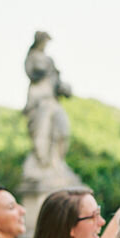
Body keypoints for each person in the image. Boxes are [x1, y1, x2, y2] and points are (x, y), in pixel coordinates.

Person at [23, 31, 72, 171]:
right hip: (39, 101)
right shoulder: (32, 57)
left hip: (53, 101)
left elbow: (58, 82)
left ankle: (56, 162)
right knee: (42, 135)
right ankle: (43, 165)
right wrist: (47, 70)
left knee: (62, 130)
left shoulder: (49, 60)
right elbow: (33, 73)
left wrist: (64, 88)